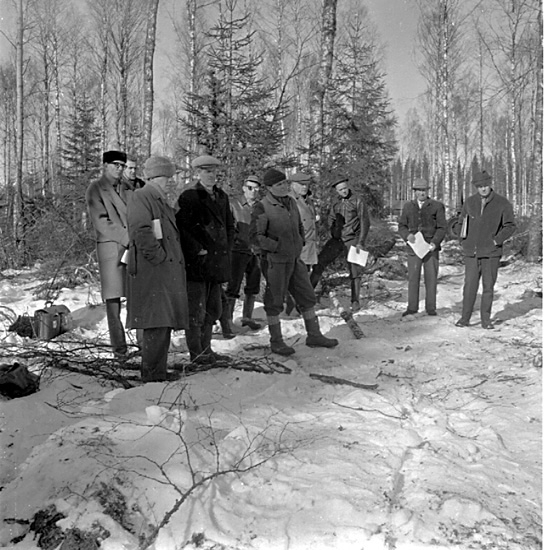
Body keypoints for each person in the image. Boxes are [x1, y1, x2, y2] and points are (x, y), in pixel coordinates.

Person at [250, 168, 338, 356]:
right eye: (279, 184)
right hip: (275, 262)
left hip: (295, 259)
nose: (284, 187)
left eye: (285, 183)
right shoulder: (262, 206)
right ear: (270, 187)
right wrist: (277, 246)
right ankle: (277, 341)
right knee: (274, 302)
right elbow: (255, 237)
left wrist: (300, 243)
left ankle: (314, 335)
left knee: (307, 296)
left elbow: (298, 225)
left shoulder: (290, 202)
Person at [125, 156, 189, 382]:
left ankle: (157, 372)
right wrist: (160, 258)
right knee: (155, 323)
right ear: (158, 177)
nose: (172, 182)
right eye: (169, 177)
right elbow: (141, 232)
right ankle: (152, 376)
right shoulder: (142, 197)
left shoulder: (159, 200)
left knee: (163, 324)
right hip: (153, 273)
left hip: (163, 273)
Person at [176, 155, 235, 364]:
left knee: (213, 309)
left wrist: (226, 248)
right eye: (206, 171)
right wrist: (198, 250)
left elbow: (229, 225)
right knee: (196, 312)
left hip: (217, 262)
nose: (211, 175)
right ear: (197, 173)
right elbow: (183, 228)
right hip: (198, 263)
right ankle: (197, 353)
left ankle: (207, 349)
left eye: (214, 171)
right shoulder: (190, 196)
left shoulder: (222, 196)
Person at [86, 150, 134, 359]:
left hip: (132, 248)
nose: (119, 168)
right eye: (115, 164)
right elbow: (101, 221)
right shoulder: (95, 189)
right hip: (111, 248)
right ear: (105, 165)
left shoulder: (129, 188)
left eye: (122, 165)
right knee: (113, 303)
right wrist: (127, 237)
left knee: (137, 296)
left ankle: (143, 344)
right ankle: (120, 350)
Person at [454, 170, 516, 329]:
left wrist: (496, 241)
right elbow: (462, 222)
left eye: (485, 185)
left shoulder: (502, 203)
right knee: (470, 287)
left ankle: (486, 320)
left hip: (491, 254)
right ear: (476, 187)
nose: (483, 189)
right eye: (479, 186)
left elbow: (510, 226)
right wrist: (462, 240)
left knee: (488, 287)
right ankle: (465, 318)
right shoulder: (469, 202)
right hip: (472, 253)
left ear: (490, 185)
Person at [310, 175, 370, 311]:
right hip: (337, 240)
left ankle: (355, 301)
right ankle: (308, 295)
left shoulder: (358, 201)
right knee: (319, 263)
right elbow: (331, 219)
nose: (344, 191)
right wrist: (333, 231)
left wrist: (361, 242)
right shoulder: (335, 203)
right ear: (336, 191)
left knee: (355, 271)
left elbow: (365, 222)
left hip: (353, 239)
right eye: (340, 189)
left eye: (345, 188)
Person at [221, 175, 263, 336]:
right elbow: (228, 227)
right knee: (233, 287)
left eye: (256, 188)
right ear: (244, 188)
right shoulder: (234, 205)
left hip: (256, 252)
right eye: (250, 187)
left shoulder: (261, 207)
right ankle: (228, 321)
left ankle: (247, 317)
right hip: (238, 251)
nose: (253, 191)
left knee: (253, 286)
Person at [398, 178, 447, 317]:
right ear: (414, 192)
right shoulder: (408, 206)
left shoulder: (437, 206)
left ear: (427, 191)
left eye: (423, 190)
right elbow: (402, 226)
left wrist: (435, 242)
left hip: (431, 249)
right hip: (414, 248)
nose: (421, 193)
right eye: (418, 190)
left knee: (431, 278)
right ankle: (412, 307)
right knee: (413, 278)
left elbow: (442, 227)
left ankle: (431, 308)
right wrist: (407, 236)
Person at [285, 171, 319, 315]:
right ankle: (292, 307)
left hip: (309, 245)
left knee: (304, 276)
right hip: (297, 246)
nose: (305, 187)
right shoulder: (289, 200)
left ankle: (301, 306)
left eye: (307, 184)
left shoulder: (308, 200)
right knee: (295, 278)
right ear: (293, 184)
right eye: (301, 184)